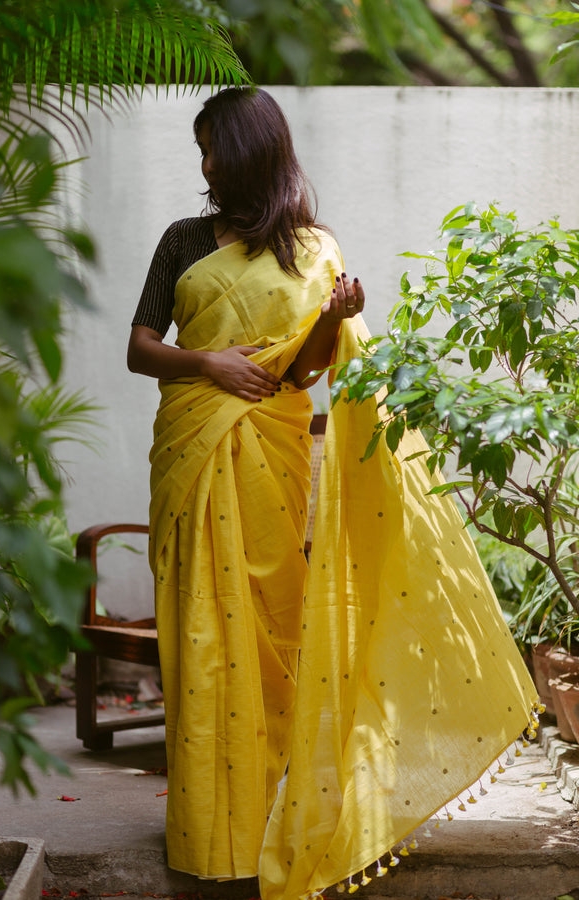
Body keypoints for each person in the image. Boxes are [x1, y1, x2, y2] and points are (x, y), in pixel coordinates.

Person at [128, 87, 539, 900]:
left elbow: (309, 369)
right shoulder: (180, 240)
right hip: (194, 454)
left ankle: (269, 815)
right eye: (200, 148)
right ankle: (208, 826)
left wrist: (335, 317)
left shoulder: (312, 250)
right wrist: (207, 362)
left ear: (250, 151)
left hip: (270, 461)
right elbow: (141, 349)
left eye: (214, 147)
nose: (204, 164)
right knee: (200, 641)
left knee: (274, 639)